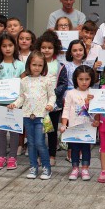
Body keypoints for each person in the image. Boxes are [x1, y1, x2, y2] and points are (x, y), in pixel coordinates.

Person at [8, 51, 55, 179]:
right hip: (27, 116)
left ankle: (46, 167)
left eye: (40, 65)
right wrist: (14, 104)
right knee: (31, 143)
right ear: (28, 65)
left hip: (42, 116)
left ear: (44, 66)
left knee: (40, 142)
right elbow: (21, 97)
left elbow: (52, 95)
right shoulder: (24, 81)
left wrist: (50, 104)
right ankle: (33, 167)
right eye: (34, 64)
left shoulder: (47, 80)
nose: (37, 68)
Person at [0, 32, 25, 170]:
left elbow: (23, 83)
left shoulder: (20, 65)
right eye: (4, 46)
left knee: (14, 130)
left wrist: (20, 99)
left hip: (15, 103)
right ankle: (1, 156)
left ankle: (12, 157)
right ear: (0, 48)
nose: (7, 48)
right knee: (1, 130)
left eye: (10, 45)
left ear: (14, 47)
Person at [33, 31, 68, 166]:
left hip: (53, 105)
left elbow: (63, 84)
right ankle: (40, 154)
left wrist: (53, 93)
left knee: (51, 131)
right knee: (39, 131)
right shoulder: (35, 64)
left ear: (55, 49)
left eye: (49, 48)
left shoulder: (60, 66)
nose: (46, 50)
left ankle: (52, 155)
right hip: (37, 104)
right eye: (43, 47)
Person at [60, 65, 96, 181]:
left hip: (88, 127)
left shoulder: (93, 93)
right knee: (74, 148)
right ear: (76, 79)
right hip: (73, 127)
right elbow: (66, 109)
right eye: (81, 79)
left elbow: (96, 111)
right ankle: (75, 168)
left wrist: (96, 120)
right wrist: (64, 124)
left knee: (86, 148)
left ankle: (85, 168)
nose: (84, 82)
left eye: (87, 79)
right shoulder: (71, 93)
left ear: (91, 79)